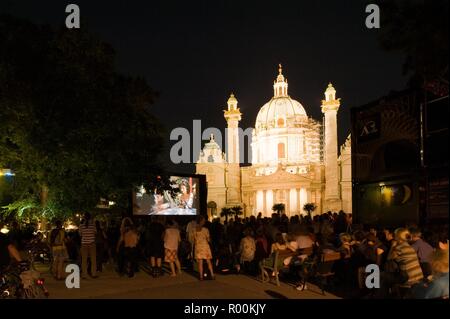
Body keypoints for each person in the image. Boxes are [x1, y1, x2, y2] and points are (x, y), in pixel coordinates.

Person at [194, 216, 214, 280]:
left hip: (198, 247)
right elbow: (208, 239)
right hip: (205, 247)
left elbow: (194, 239)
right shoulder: (205, 230)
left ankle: (201, 276)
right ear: (201, 221)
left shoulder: (194, 229)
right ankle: (212, 275)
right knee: (208, 261)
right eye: (204, 220)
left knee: (200, 262)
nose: (204, 221)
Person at [78, 213, 97, 279]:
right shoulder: (93, 225)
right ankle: (93, 273)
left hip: (84, 243)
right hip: (92, 243)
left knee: (84, 260)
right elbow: (95, 232)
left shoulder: (81, 225)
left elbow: (80, 234)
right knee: (93, 259)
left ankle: (84, 275)